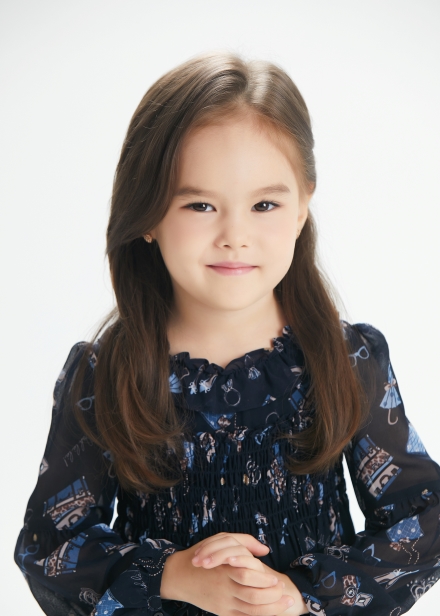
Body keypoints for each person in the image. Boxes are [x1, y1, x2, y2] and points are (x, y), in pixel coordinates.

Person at [14, 50, 440, 616]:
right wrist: (170, 574)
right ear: (148, 215)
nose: (235, 235)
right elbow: (49, 546)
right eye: (200, 204)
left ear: (302, 206)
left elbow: (425, 516)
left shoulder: (344, 359)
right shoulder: (107, 373)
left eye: (264, 204)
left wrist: (300, 594)